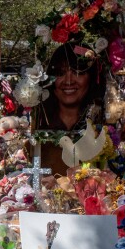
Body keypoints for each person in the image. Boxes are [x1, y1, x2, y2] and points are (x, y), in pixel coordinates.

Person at [34, 43, 107, 175]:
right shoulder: (39, 128)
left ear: (91, 78)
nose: (68, 81)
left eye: (77, 72)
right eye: (60, 73)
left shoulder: (101, 127)